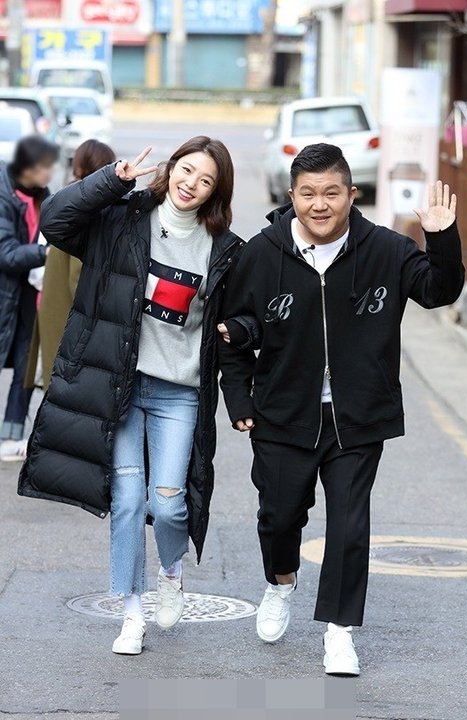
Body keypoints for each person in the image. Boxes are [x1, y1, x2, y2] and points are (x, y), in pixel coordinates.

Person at [218, 143, 464, 676]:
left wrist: (442, 237)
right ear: (292, 196)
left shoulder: (386, 250)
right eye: (308, 193)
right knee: (279, 516)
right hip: (282, 413)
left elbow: (439, 291)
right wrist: (238, 398)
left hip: (358, 415)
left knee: (350, 523)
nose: (320, 204)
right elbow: (231, 334)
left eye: (331, 192)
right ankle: (280, 582)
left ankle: (339, 631)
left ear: (352, 194)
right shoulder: (261, 255)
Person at [18, 136, 252, 656]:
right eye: (187, 170)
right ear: (171, 168)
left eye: (206, 180)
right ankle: (130, 612)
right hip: (121, 387)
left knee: (168, 506)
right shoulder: (123, 220)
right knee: (126, 500)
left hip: (179, 393)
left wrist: (241, 337)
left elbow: (240, 320)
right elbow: (54, 222)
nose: (191, 184)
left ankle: (171, 574)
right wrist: (110, 181)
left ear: (216, 192)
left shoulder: (225, 250)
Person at [25, 140, 116, 390]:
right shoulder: (93, 210)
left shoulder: (63, 201)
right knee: (67, 393)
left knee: (52, 391)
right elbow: (79, 280)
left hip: (53, 308)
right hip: (72, 322)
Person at [0, 135, 59, 461]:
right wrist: (44, 253)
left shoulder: (42, 195)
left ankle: (10, 437)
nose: (50, 174)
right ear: (27, 167)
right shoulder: (3, 194)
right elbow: (6, 253)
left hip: (29, 294)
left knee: (25, 365)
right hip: (5, 293)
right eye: (45, 167)